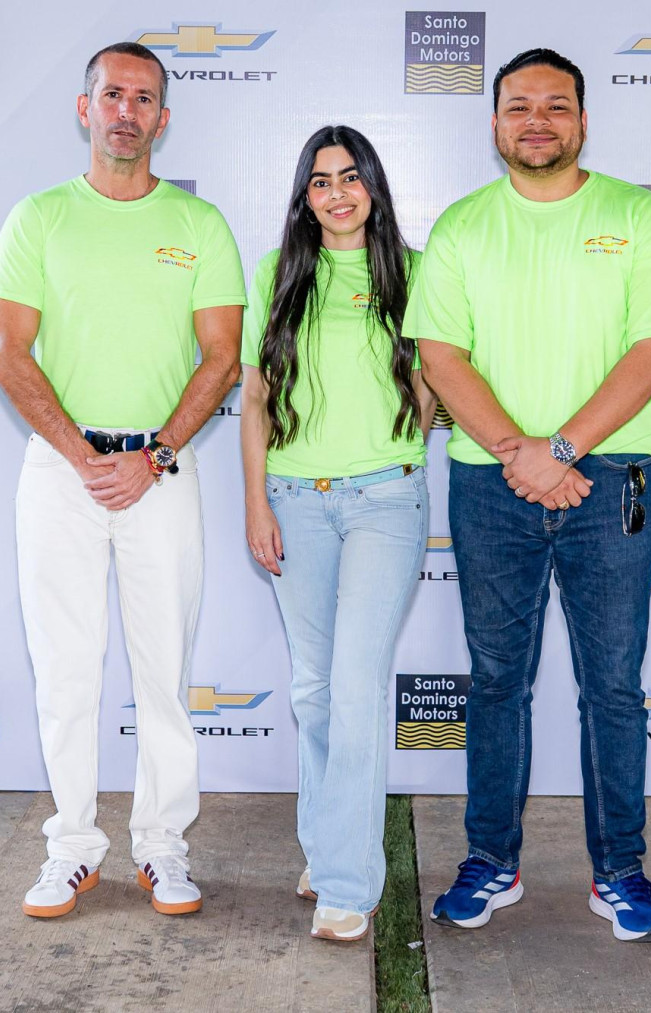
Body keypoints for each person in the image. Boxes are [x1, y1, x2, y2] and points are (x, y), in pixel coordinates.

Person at [404, 49, 651, 942]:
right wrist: (517, 451)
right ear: (494, 121)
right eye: (519, 106)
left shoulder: (639, 216)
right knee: (497, 680)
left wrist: (563, 448)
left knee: (612, 685)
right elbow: (441, 358)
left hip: (613, 478)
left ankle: (620, 871)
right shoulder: (461, 226)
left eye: (556, 106)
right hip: (489, 480)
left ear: (582, 121)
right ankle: (491, 861)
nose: (537, 121)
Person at [0, 42, 245, 918]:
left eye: (143, 98)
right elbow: (9, 354)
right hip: (61, 473)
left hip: (161, 471)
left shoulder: (199, 227)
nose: (126, 110)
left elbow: (220, 359)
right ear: (85, 109)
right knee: (65, 668)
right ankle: (72, 846)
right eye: (111, 94)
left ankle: (163, 846)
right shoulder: (37, 217)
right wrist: (80, 453)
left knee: (163, 669)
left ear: (163, 120)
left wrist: (155, 454)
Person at [241, 125, 434, 942]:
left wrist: (394, 454)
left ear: (374, 187)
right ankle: (326, 845)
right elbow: (253, 399)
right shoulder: (279, 273)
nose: (337, 193)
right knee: (314, 690)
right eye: (321, 181)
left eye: (350, 177)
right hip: (295, 499)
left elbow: (431, 384)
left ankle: (349, 884)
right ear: (305, 196)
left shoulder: (413, 271)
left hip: (386, 504)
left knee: (355, 689)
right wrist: (257, 503)